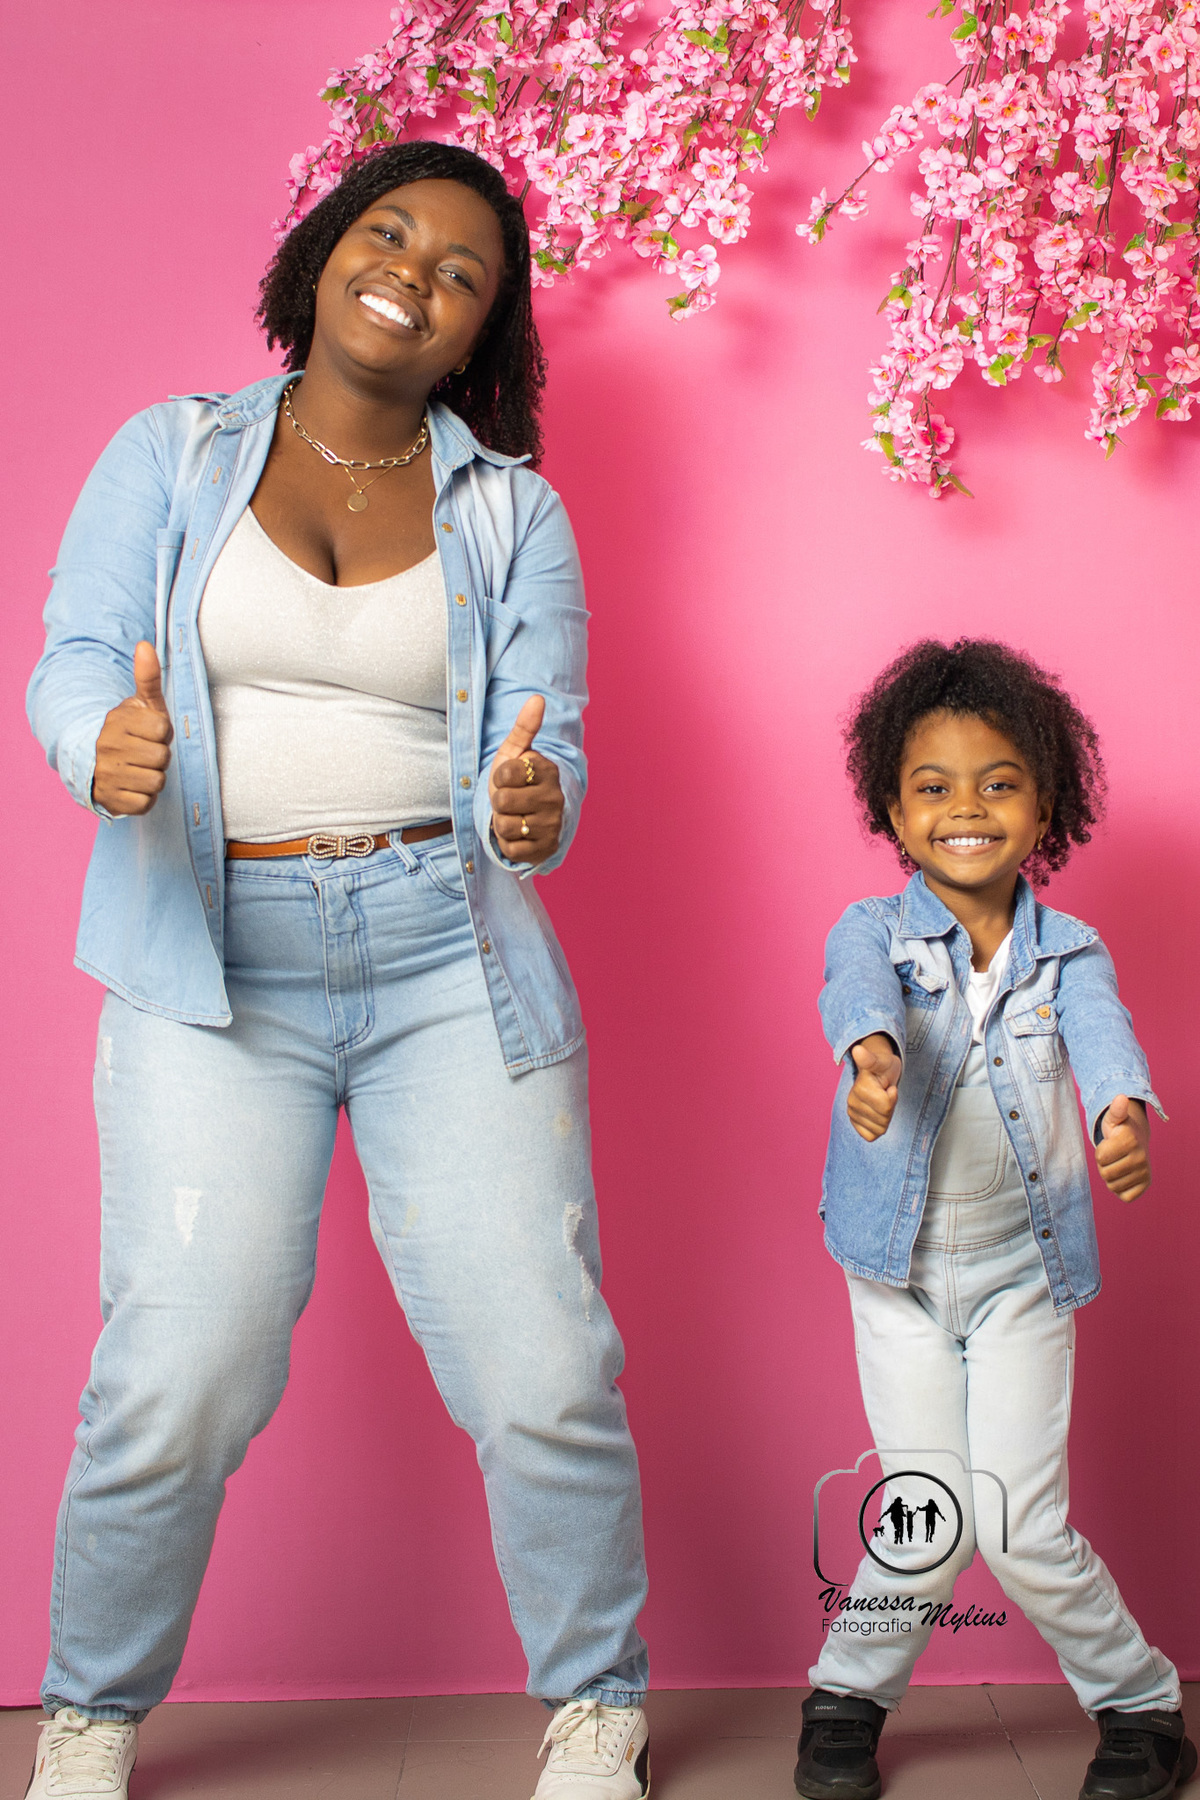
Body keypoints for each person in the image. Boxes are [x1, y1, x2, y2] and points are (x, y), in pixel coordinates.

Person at [24, 140, 649, 1800]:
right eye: (393, 234)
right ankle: (89, 1712)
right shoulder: (170, 455)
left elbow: (555, 747)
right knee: (184, 1362)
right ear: (320, 251)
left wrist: (541, 800)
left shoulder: (513, 511)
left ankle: (600, 1703)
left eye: (464, 272)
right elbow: (78, 656)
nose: (419, 275)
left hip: (457, 959)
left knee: (542, 1361)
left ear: (480, 336)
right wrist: (109, 744)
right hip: (210, 957)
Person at [793, 641, 1195, 1800]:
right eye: (934, 786)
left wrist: (1123, 1111)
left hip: (1025, 1276)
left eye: (1000, 782)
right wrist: (870, 1057)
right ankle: (848, 1693)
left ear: (1046, 804)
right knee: (925, 1519)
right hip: (899, 1276)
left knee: (1017, 1523)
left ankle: (1140, 1702)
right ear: (890, 805)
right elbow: (851, 993)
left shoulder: (1071, 953)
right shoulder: (872, 931)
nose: (967, 808)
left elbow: (1108, 1034)